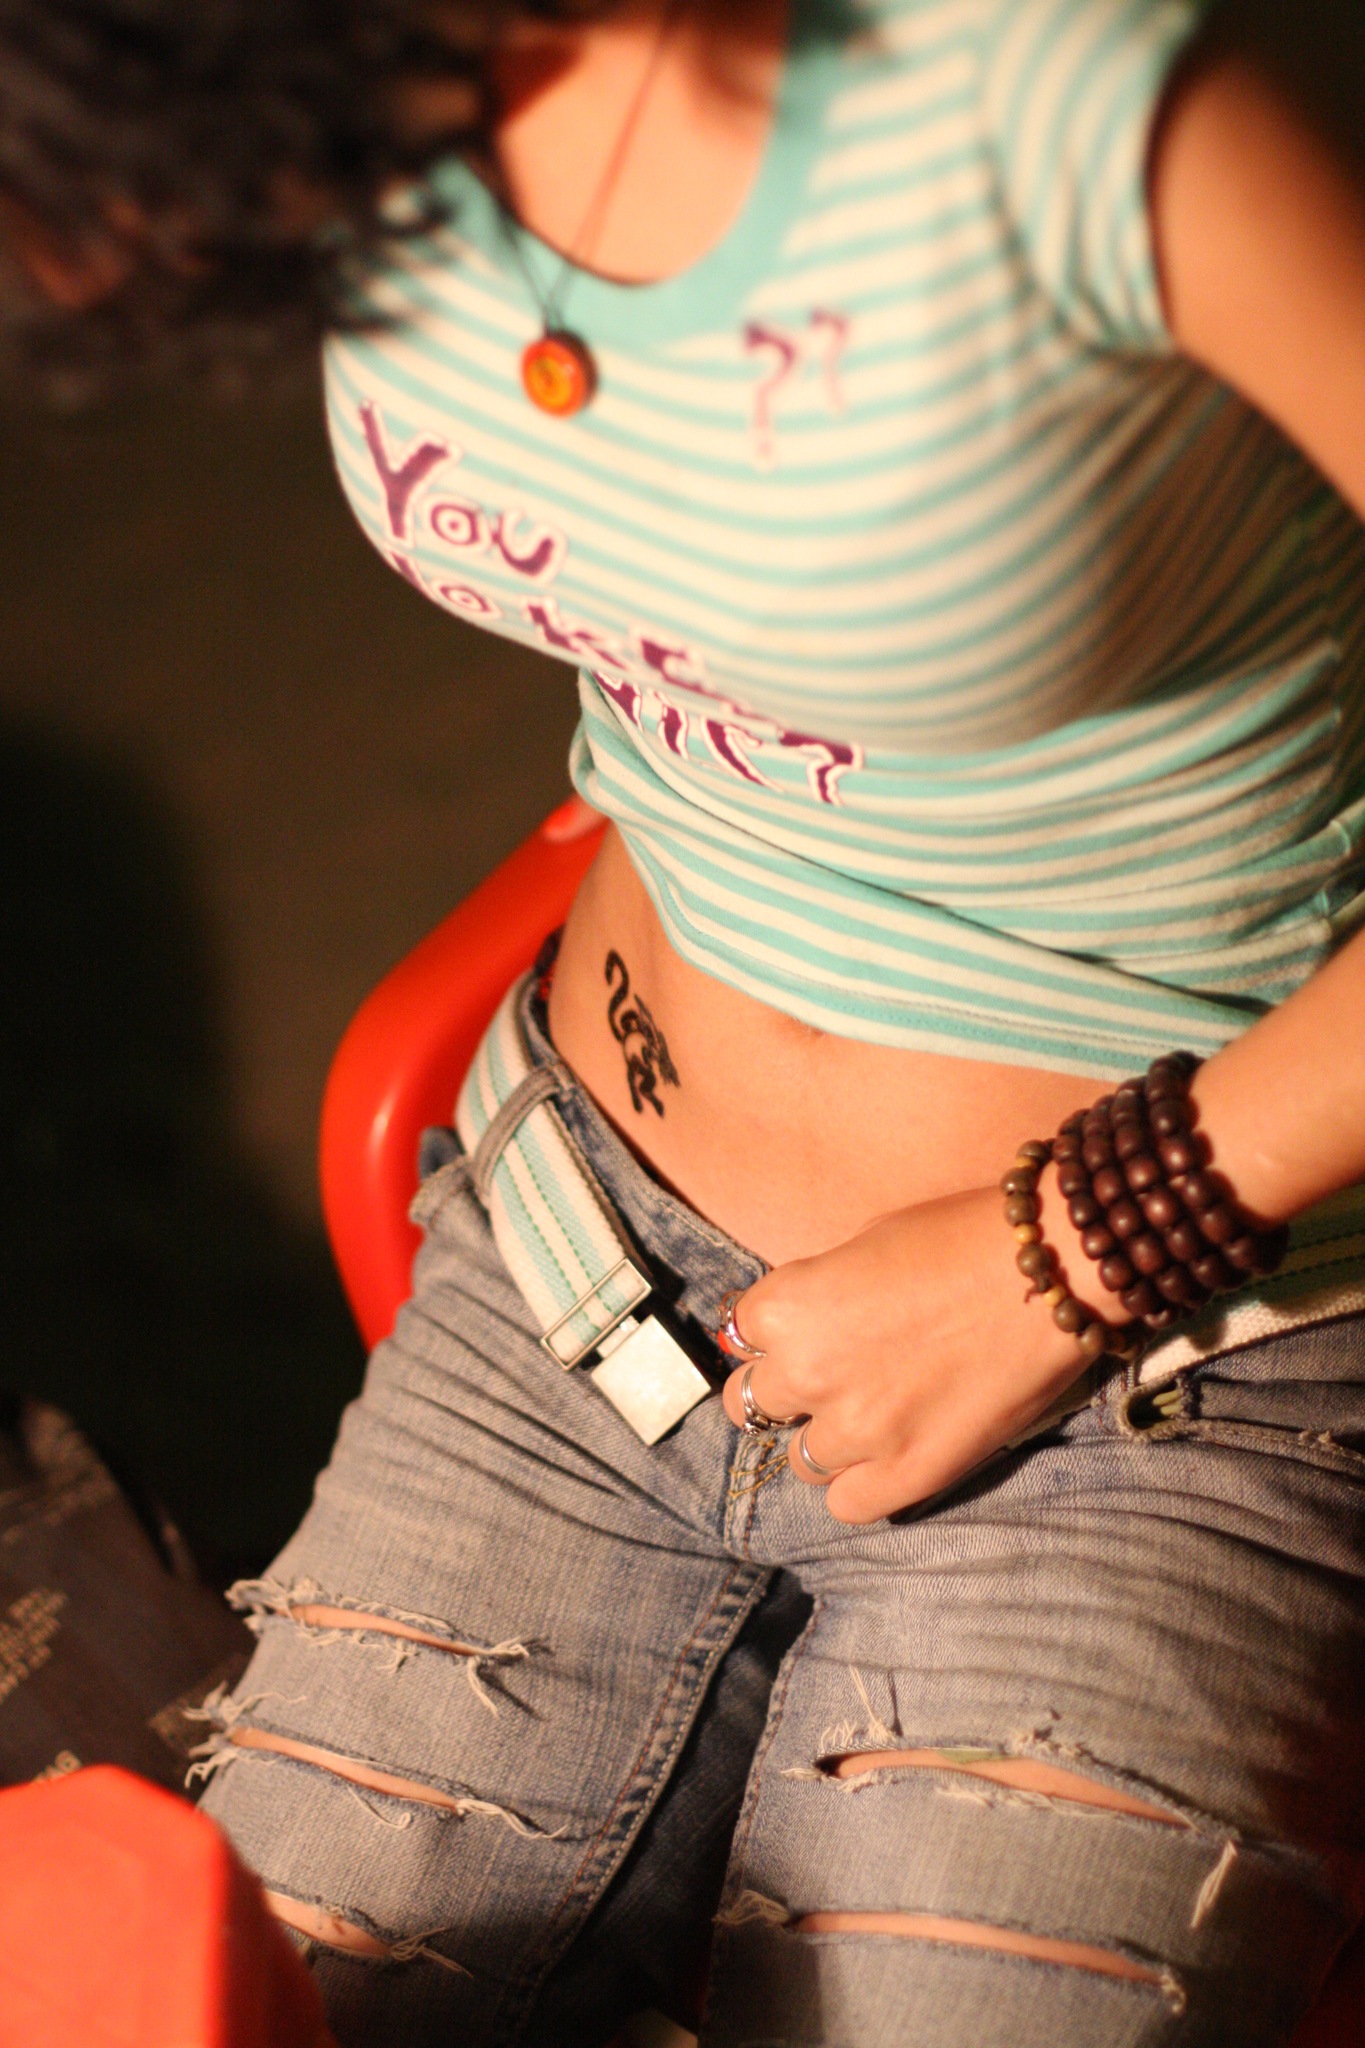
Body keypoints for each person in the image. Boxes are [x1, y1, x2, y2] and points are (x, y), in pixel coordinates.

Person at [7, 1, 1365, 2041]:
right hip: (575, 1279)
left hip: (1164, 1358)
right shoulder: (347, 97)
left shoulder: (1051, 91)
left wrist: (1073, 1247)